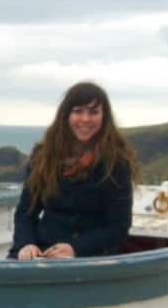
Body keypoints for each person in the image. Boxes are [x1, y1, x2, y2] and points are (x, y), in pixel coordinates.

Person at [8, 81, 140, 260]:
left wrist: (75, 248)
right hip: (42, 251)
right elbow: (26, 211)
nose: (85, 119)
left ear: (104, 117)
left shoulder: (116, 162)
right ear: (66, 115)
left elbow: (118, 227)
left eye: (93, 112)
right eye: (78, 111)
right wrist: (26, 244)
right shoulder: (44, 156)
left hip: (91, 257)